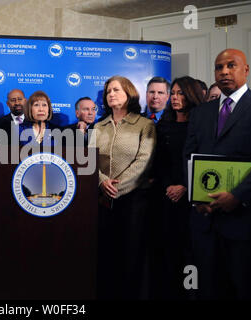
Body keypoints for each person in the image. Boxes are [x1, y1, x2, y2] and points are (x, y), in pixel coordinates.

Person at [184, 49, 251, 299]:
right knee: (208, 289)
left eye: (232, 66)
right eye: (219, 67)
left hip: (247, 220)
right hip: (205, 220)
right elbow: (189, 156)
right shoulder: (201, 113)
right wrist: (197, 197)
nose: (224, 72)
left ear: (246, 70)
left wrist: (236, 195)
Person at [91, 75, 156, 299]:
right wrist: (101, 182)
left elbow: (144, 161)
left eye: (116, 90)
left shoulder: (144, 125)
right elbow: (88, 161)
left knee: (130, 256)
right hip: (102, 201)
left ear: (129, 94)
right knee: (105, 255)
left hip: (133, 202)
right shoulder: (99, 126)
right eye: (108, 91)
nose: (111, 94)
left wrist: (117, 187)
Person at [152, 76, 204, 299]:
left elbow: (203, 160)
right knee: (166, 250)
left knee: (189, 252)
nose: (174, 97)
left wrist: (185, 185)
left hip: (192, 198)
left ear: (191, 95)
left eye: (180, 93)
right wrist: (167, 187)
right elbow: (158, 162)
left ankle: (189, 293)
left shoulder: (201, 124)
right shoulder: (164, 124)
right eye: (172, 93)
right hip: (164, 196)